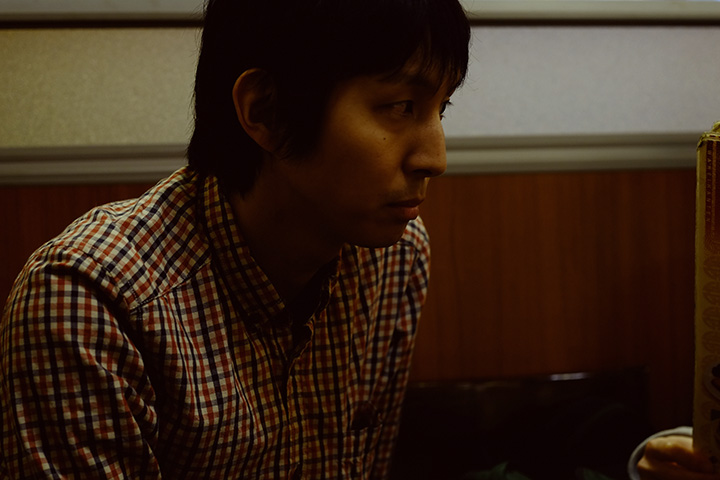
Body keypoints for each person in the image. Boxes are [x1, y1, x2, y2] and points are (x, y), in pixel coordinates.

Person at [0, 0, 469, 478]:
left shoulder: (395, 257)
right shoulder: (89, 301)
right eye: (400, 106)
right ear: (266, 110)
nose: (436, 158)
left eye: (442, 107)